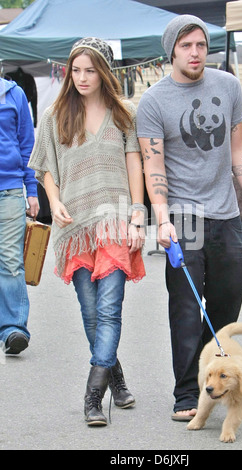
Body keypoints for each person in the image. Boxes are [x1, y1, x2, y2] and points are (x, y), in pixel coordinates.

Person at [137, 15, 242, 421]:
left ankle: (219, 381)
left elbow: (238, 148)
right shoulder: (154, 101)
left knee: (228, 301)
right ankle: (187, 394)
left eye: (200, 45)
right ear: (171, 51)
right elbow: (152, 164)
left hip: (226, 212)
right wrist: (162, 218)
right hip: (183, 216)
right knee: (187, 309)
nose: (195, 53)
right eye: (186, 46)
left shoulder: (228, 86)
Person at [28, 37, 145, 426]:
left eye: (90, 70)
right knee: (92, 311)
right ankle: (117, 378)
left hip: (114, 222)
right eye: (75, 70)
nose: (81, 77)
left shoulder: (125, 112)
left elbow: (135, 167)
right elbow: (47, 165)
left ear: (105, 72)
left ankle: (92, 396)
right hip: (74, 225)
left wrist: (137, 214)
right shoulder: (55, 114)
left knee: (109, 310)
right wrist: (53, 199)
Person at [0, 77, 39, 355]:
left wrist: (32, 190)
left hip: (10, 189)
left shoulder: (13, 94)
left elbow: (28, 145)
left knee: (11, 260)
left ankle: (14, 329)